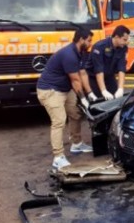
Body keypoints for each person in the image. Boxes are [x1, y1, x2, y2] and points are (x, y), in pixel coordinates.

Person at [37, 28, 94, 171]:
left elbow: (82, 73)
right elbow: (75, 80)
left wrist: (90, 93)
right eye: (89, 40)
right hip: (50, 90)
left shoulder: (80, 52)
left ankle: (76, 144)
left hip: (64, 88)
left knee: (75, 113)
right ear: (81, 39)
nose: (90, 43)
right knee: (59, 121)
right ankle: (58, 157)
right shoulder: (69, 54)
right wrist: (83, 99)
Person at [80, 25, 129, 101]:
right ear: (116, 37)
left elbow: (121, 68)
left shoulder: (123, 48)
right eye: (124, 39)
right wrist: (103, 90)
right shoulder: (100, 47)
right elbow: (99, 70)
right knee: (97, 101)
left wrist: (120, 88)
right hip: (93, 77)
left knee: (116, 100)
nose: (126, 42)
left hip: (109, 76)